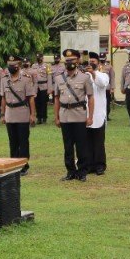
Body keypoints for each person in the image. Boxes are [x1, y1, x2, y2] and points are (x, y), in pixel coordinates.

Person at [53, 48, 93, 182]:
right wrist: (56, 117)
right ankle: (70, 171)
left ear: (77, 61)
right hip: (65, 116)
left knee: (81, 145)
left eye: (72, 60)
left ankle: (82, 172)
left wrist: (90, 116)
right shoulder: (58, 78)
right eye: (67, 60)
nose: (69, 62)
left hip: (79, 115)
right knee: (68, 146)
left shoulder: (85, 77)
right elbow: (57, 99)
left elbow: (90, 97)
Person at [2, 56, 36, 174]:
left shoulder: (26, 79)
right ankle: (13, 164)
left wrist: (32, 115)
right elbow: (3, 98)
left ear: (19, 65)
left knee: (23, 141)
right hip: (10, 114)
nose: (11, 67)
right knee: (13, 141)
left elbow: (31, 98)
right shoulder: (4, 80)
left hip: (22, 113)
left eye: (13, 65)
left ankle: (23, 165)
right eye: (9, 65)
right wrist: (2, 114)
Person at [86, 52, 109, 176]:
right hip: (85, 113)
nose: (91, 63)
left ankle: (100, 165)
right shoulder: (83, 76)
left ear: (98, 63)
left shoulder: (103, 75)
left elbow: (102, 84)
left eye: (93, 61)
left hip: (99, 113)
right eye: (89, 61)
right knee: (87, 141)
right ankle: (89, 165)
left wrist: (93, 73)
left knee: (99, 141)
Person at [32, 53, 50, 124]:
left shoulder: (47, 66)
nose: (39, 59)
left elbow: (49, 77)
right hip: (36, 86)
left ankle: (44, 117)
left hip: (44, 86)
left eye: (40, 58)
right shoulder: (33, 66)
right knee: (37, 103)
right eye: (37, 58)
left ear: (42, 58)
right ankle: (39, 118)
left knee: (44, 103)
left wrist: (49, 88)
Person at [99, 54, 115, 121]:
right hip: (98, 88)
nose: (102, 60)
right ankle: (100, 116)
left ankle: (107, 115)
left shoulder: (109, 67)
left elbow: (112, 78)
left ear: (105, 58)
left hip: (106, 88)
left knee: (107, 103)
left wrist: (112, 88)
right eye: (100, 59)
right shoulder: (96, 66)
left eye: (103, 58)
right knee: (99, 102)